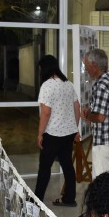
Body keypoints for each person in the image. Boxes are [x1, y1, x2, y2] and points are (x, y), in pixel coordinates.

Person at [34, 55, 80, 207]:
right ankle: (69, 199)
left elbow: (46, 113)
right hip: (68, 134)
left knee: (44, 167)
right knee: (67, 165)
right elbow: (77, 107)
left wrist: (40, 133)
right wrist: (75, 128)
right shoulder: (68, 84)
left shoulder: (47, 86)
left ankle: (37, 201)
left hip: (52, 134)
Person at [82, 49, 109, 178]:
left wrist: (87, 116)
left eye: (86, 65)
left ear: (94, 65)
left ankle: (103, 200)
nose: (85, 69)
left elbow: (100, 117)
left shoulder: (101, 85)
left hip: (105, 142)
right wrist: (91, 110)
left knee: (101, 182)